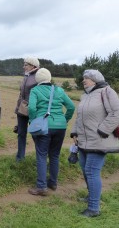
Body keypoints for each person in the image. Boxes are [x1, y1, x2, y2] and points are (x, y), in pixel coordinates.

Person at [70, 69, 119, 217]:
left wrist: (103, 129)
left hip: (100, 140)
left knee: (91, 171)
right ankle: (92, 196)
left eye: (86, 78)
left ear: (95, 79)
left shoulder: (107, 92)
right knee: (84, 169)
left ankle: (94, 208)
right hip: (84, 141)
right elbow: (79, 117)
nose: (83, 80)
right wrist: (75, 132)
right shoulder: (86, 95)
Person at [27, 68, 75, 196]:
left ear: (37, 79)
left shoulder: (35, 90)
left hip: (44, 126)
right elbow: (71, 106)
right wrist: (64, 120)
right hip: (60, 127)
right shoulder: (59, 90)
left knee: (42, 155)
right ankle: (53, 183)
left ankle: (41, 186)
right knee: (54, 155)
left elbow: (31, 107)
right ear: (49, 77)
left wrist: (32, 120)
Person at [14, 57, 40, 161]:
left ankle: (40, 156)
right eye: (24, 64)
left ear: (33, 66)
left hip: (33, 110)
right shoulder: (26, 76)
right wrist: (17, 109)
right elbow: (21, 95)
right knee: (21, 134)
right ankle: (20, 158)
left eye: (26, 65)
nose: (23, 66)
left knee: (36, 134)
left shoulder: (38, 77)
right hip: (22, 110)